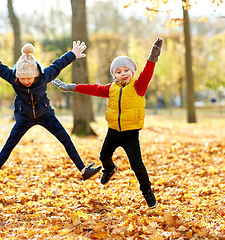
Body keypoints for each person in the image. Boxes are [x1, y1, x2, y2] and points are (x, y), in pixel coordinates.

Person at [0, 37, 101, 184]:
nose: (25, 82)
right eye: (22, 79)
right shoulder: (13, 78)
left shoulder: (44, 76)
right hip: (23, 116)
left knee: (65, 139)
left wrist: (73, 54)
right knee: (10, 143)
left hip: (46, 115)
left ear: (36, 73)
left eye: (29, 78)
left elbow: (58, 65)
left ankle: (83, 170)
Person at [52, 37, 163, 208]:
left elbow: (147, 73)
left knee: (137, 165)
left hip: (130, 134)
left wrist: (153, 57)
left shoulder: (138, 87)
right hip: (113, 131)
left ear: (132, 72)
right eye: (118, 72)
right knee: (103, 156)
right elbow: (92, 88)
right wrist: (71, 87)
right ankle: (109, 169)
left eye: (126, 70)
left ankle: (147, 191)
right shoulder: (110, 89)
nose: (123, 73)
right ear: (114, 75)